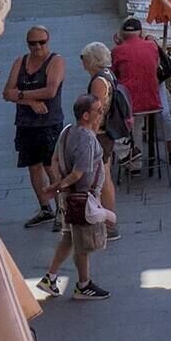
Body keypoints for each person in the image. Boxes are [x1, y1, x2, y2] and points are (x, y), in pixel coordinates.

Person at [34, 95, 112, 301]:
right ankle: (83, 285)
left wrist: (58, 186)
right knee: (83, 244)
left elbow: (55, 158)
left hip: (70, 197)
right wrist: (57, 186)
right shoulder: (86, 139)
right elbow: (78, 172)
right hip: (82, 199)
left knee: (69, 237)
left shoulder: (67, 131)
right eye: (98, 110)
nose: (101, 114)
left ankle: (50, 278)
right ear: (86, 116)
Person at [4, 25, 66, 227]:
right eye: (33, 43)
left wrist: (20, 95)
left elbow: (51, 91)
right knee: (33, 168)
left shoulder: (55, 61)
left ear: (48, 41)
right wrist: (29, 101)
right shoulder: (20, 62)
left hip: (49, 123)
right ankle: (45, 208)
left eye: (42, 42)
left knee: (51, 168)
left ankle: (62, 210)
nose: (38, 46)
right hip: (26, 124)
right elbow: (6, 93)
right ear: (27, 44)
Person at [111, 15, 171, 166]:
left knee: (132, 121)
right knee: (164, 114)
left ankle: (135, 163)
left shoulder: (117, 51)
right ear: (140, 32)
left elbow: (115, 75)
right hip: (153, 98)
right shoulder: (151, 45)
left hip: (134, 104)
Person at [78, 41, 125, 235]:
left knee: (103, 179)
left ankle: (109, 224)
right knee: (103, 178)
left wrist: (89, 133)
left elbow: (97, 111)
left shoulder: (99, 80)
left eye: (84, 58)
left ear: (92, 60)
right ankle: (106, 221)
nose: (82, 62)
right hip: (105, 134)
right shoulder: (108, 75)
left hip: (100, 134)